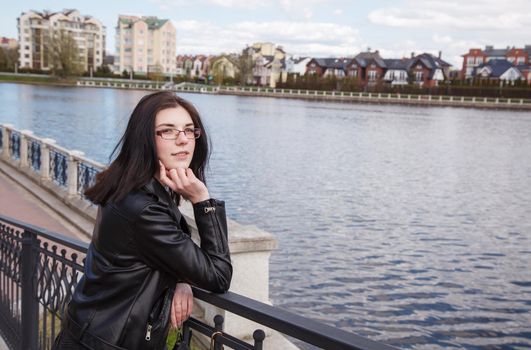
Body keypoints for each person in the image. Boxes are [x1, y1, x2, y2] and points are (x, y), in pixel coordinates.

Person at [53, 91, 232, 349]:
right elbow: (218, 275)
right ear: (145, 138)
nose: (183, 140)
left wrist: (181, 277)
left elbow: (165, 246)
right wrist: (203, 201)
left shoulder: (131, 186)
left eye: (189, 130)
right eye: (168, 131)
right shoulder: (143, 208)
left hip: (89, 332)